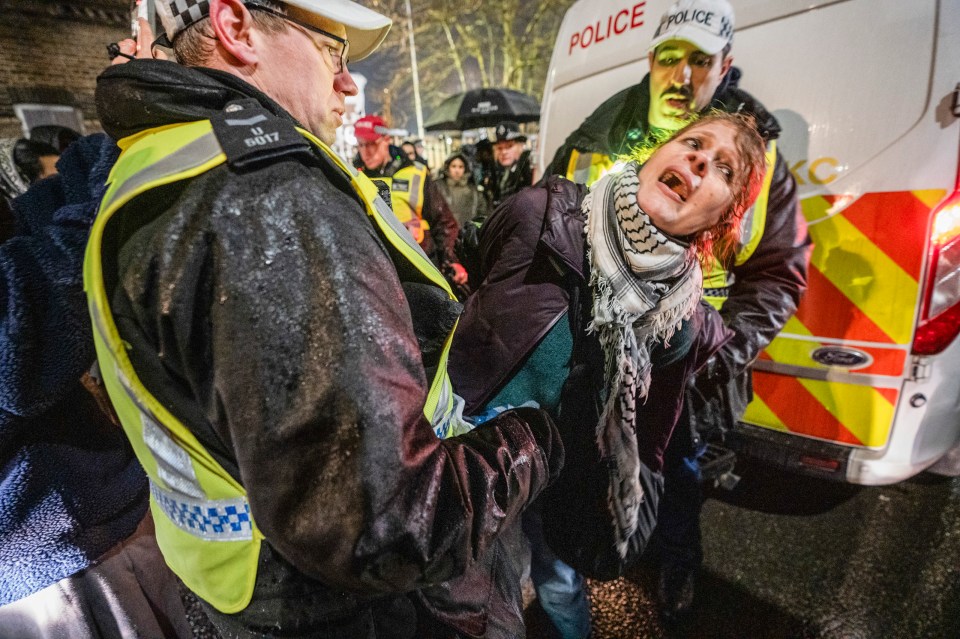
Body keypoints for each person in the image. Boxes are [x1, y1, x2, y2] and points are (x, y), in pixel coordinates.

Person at [86, 2, 563, 638]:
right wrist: (533, 441)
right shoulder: (263, 195)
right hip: (365, 614)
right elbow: (386, 526)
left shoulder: (163, 162)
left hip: (249, 591)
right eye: (330, 52)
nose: (346, 82)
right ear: (235, 27)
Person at [544, 0, 812, 624]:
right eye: (671, 59)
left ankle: (677, 572)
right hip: (593, 365)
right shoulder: (593, 137)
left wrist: (715, 356)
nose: (682, 78)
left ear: (725, 67)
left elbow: (777, 274)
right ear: (651, 60)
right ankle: (594, 561)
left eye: (700, 61)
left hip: (684, 384)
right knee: (586, 479)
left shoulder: (753, 160)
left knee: (676, 487)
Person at [451, 112, 767, 639]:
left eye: (724, 169)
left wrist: (618, 515)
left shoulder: (678, 323)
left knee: (557, 583)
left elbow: (650, 436)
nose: (699, 160)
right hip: (475, 457)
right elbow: (482, 272)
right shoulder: (541, 212)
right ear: (654, 155)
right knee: (477, 604)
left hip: (562, 474)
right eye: (693, 143)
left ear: (720, 218)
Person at [0, 131, 194, 638]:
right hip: (54, 559)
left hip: (80, 528)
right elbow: (17, 343)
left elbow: (23, 225)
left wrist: (120, 132)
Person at [355, 114, 468, 288]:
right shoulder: (356, 177)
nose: (366, 151)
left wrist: (452, 260)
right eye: (361, 144)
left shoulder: (416, 173)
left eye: (372, 144)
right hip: (378, 270)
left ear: (386, 140)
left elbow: (443, 220)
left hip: (421, 263)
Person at [436, 151, 489, 227]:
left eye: (461, 167)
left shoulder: (474, 192)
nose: (457, 170)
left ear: (465, 169)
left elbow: (482, 213)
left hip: (468, 234)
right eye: (453, 166)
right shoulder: (438, 188)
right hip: (444, 234)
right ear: (448, 167)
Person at [492, 120, 532, 206]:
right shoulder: (502, 171)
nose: (504, 152)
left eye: (509, 146)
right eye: (500, 148)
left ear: (520, 147)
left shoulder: (527, 170)